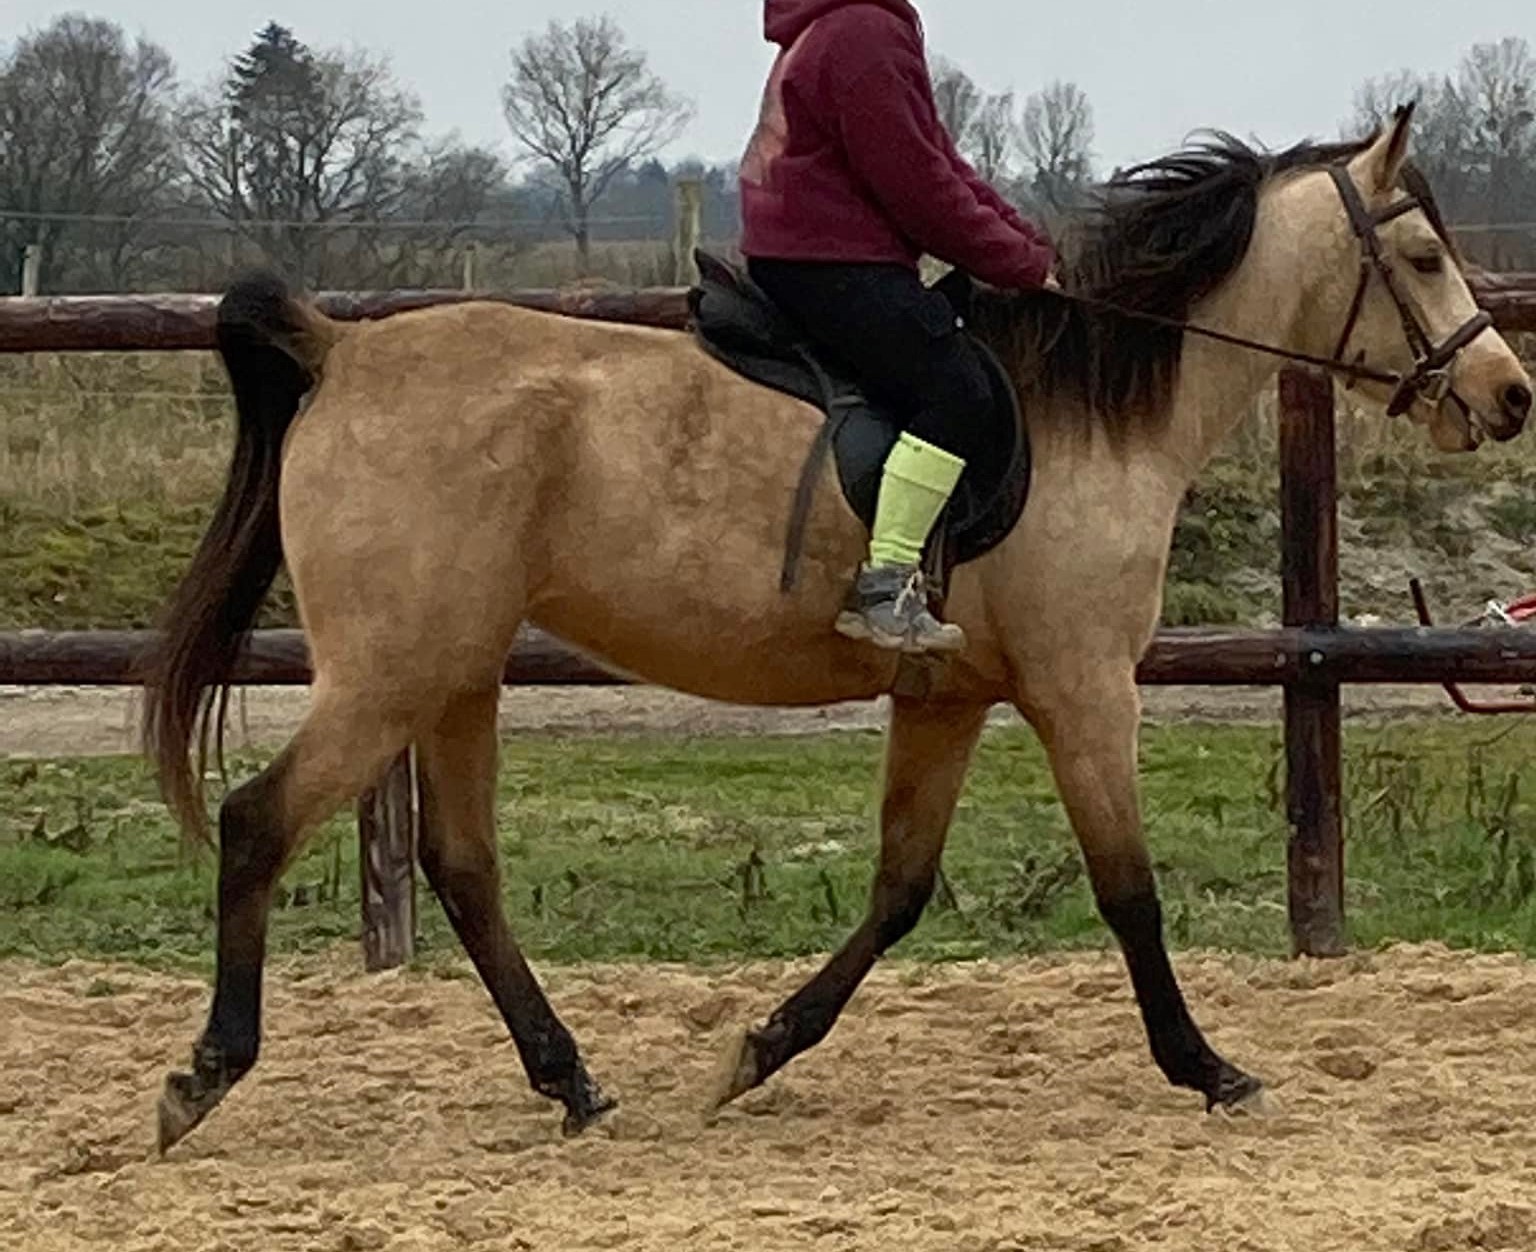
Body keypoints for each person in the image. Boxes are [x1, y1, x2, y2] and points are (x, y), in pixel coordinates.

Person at [739, 0, 1058, 655]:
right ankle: (885, 586)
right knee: (957, 391)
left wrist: (1026, 244)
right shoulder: (863, 30)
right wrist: (1018, 263)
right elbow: (918, 188)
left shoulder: (843, 25)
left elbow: (940, 159)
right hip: (833, 260)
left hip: (807, 252)